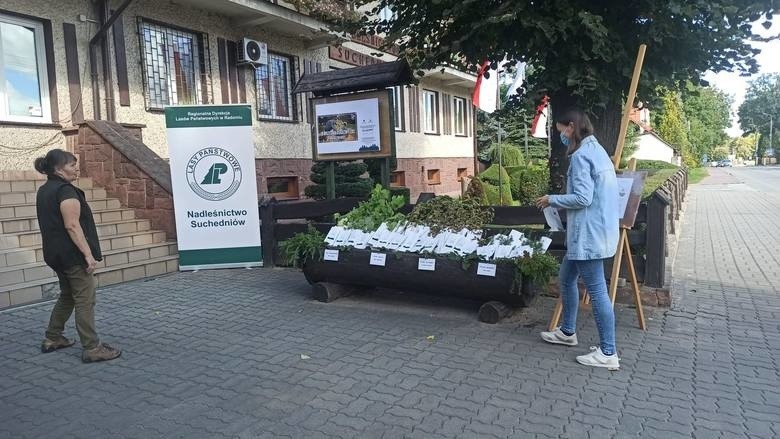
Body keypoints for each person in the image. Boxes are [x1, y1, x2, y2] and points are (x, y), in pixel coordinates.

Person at [536, 109, 620, 369]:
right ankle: (567, 332)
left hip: (588, 235)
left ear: (572, 127)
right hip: (595, 232)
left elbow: (583, 198)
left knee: (597, 291)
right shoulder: (597, 151)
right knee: (566, 278)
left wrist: (553, 199)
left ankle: (608, 353)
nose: (561, 135)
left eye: (562, 130)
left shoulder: (582, 155)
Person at [35, 149, 121, 363]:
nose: (76, 168)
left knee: (67, 295)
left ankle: (52, 337)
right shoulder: (65, 191)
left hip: (54, 254)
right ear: (58, 169)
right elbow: (72, 225)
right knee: (85, 299)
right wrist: (88, 255)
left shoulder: (45, 190)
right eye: (72, 165)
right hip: (71, 255)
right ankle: (92, 347)